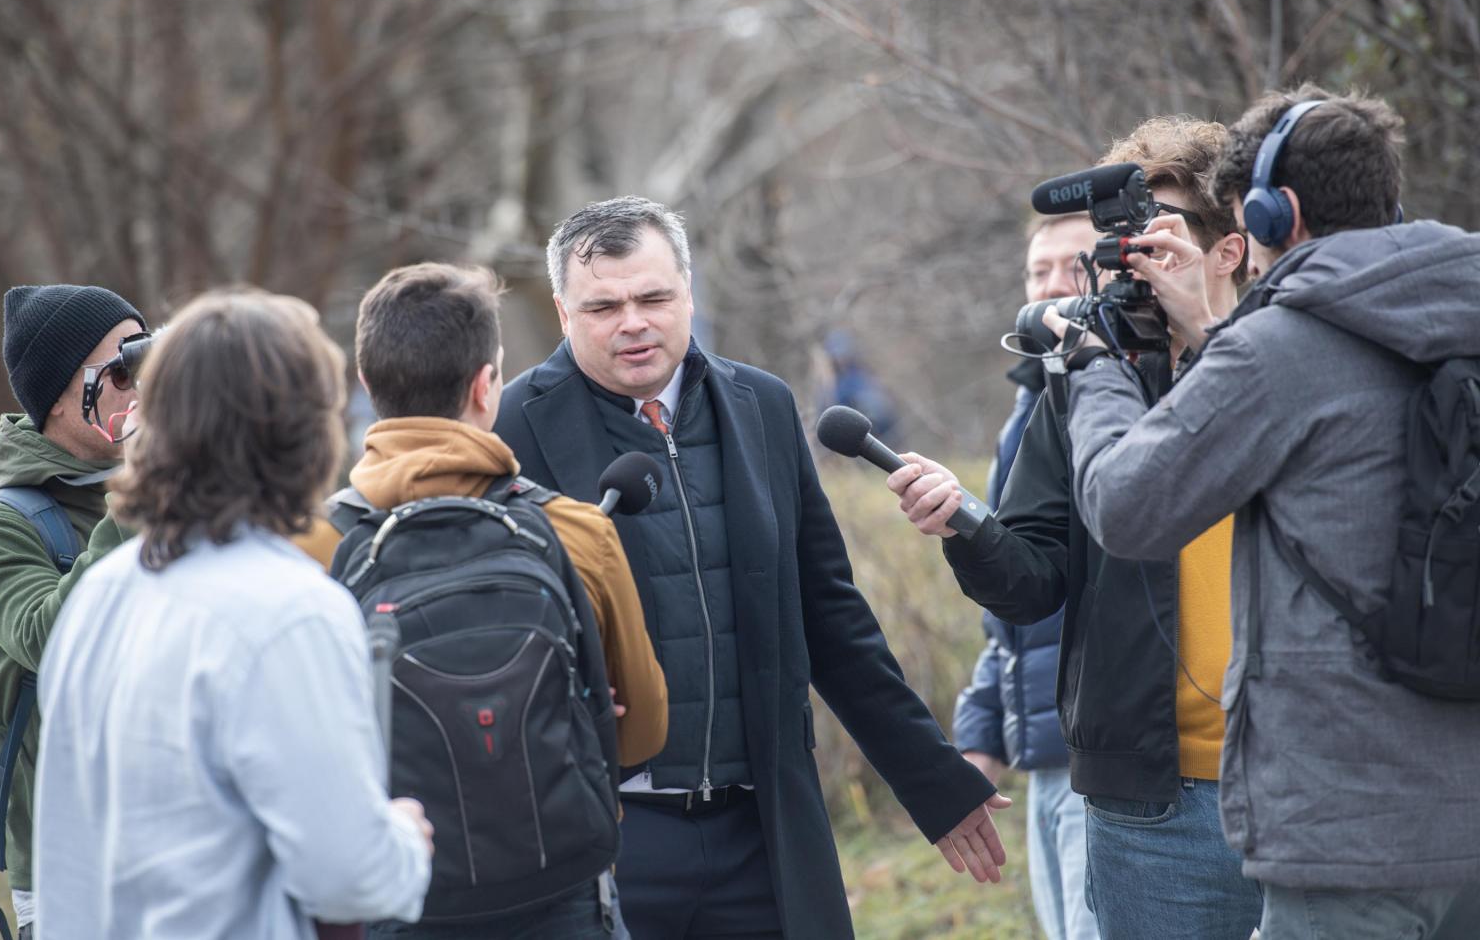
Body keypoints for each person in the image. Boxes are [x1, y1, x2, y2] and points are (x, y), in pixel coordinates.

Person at [494, 196, 1009, 940]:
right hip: (607, 836)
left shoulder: (761, 406)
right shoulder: (513, 427)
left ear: (689, 292)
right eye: (603, 305)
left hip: (760, 830)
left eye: (653, 297)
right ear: (562, 310)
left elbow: (831, 619)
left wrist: (933, 779)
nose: (632, 322)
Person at [1050, 86, 1480, 939]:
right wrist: (1214, 332)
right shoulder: (1453, 317)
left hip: (1345, 833)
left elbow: (1126, 506)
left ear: (1272, 212)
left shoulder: (1280, 346)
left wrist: (1099, 365)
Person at [888, 118, 1261, 940]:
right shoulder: (1092, 379)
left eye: (1156, 239)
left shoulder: (1290, 357)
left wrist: (1207, 341)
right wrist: (966, 526)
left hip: (1301, 787)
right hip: (1150, 808)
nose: (1132, 264)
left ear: (1229, 249)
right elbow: (1031, 581)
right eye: (1120, 246)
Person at [33, 288, 434, 939]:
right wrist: (402, 842)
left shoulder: (99, 596)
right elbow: (345, 874)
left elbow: (64, 853)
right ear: (303, 430)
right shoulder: (293, 610)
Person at [296, 261, 667, 937]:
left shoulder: (308, 548)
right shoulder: (577, 530)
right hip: (561, 897)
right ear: (486, 384)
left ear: (367, 384)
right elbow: (642, 733)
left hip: (399, 903)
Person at [0, 284, 147, 936]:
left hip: (177, 847)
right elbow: (51, 638)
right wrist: (137, 498)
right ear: (58, 396)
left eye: (148, 363)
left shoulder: (168, 492)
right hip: (76, 877)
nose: (140, 387)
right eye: (121, 372)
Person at [952, 213, 1099, 940]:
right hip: (1042, 757)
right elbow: (1015, 604)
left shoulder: (1112, 393)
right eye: (1036, 270)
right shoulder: (1030, 400)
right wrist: (982, 733)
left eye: (1074, 266)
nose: (1049, 286)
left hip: (1102, 760)